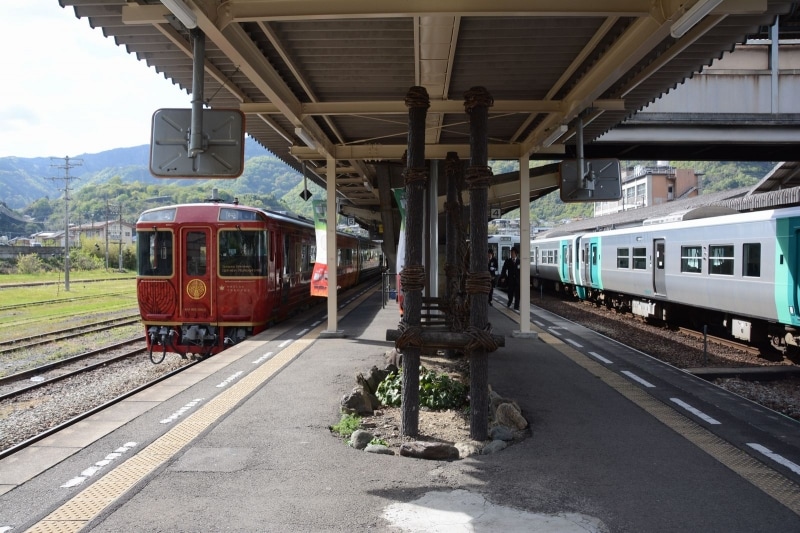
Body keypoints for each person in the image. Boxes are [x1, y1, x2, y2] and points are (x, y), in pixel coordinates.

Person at [500, 246, 520, 310]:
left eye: (513, 253)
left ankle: (516, 306)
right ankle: (509, 302)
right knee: (510, 293)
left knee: (517, 294)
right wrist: (503, 277)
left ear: (516, 254)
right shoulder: (508, 261)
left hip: (517, 281)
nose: (511, 254)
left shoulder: (519, 261)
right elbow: (504, 269)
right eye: (511, 253)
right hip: (510, 280)